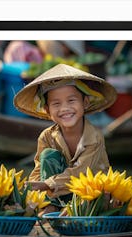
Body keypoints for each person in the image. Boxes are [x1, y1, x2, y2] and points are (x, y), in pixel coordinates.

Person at [13, 63, 117, 207]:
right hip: (57, 193)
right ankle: (51, 206)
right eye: (56, 104)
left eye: (71, 100)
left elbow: (81, 172)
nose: (65, 109)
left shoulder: (94, 137)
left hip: (91, 195)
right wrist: (30, 193)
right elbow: (39, 171)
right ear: (47, 110)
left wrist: (46, 184)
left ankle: (67, 209)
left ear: (85, 103)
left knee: (95, 196)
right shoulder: (46, 137)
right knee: (48, 155)